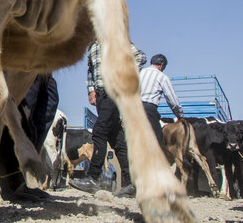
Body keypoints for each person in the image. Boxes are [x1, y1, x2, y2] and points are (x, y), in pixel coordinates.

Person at [69, 40, 146, 197]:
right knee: (116, 138)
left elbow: (140, 57)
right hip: (101, 94)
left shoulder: (114, 38)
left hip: (114, 91)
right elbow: (90, 72)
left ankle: (92, 177)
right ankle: (131, 184)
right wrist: (91, 91)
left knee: (98, 131)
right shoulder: (92, 47)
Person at [139, 54, 183, 144]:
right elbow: (172, 100)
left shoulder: (139, 72)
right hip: (148, 109)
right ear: (162, 65)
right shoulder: (161, 76)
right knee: (156, 141)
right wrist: (180, 115)